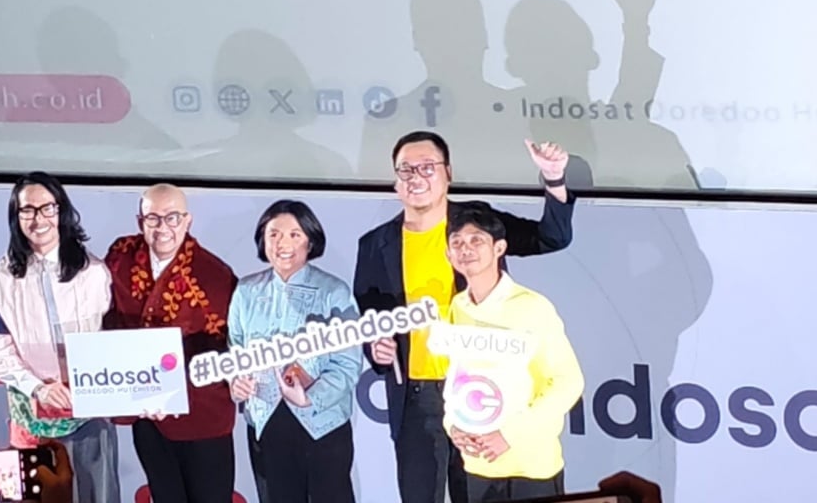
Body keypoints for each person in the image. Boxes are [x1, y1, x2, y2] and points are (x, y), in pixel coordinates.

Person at [354, 130, 575, 503]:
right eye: (406, 170)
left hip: (484, 392)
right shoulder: (375, 244)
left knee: (477, 494)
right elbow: (370, 319)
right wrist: (376, 350)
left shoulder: (475, 225)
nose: (416, 177)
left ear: (448, 173)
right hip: (417, 398)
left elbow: (551, 237)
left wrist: (553, 178)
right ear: (396, 181)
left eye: (427, 167)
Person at [0, 171, 120, 503]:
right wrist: (38, 387)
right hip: (31, 412)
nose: (38, 219)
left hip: (90, 410)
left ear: (61, 211)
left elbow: (115, 338)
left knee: (97, 496)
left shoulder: (95, 272)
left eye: (47, 208)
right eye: (27, 210)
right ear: (16, 217)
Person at [435, 207, 583, 502]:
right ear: (448, 254)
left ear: (499, 248)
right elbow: (457, 378)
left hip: (530, 466)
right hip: (478, 465)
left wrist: (511, 434)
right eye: (457, 243)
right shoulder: (457, 307)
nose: (466, 249)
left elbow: (568, 382)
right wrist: (453, 425)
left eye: (476, 240)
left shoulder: (532, 306)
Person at [103, 183, 238, 503]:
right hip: (147, 416)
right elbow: (106, 319)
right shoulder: (121, 258)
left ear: (188, 221)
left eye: (172, 217)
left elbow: (232, 347)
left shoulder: (215, 275)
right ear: (140, 222)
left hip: (203, 416)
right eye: (153, 218)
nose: (163, 227)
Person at [228, 200, 362, 503]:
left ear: (310, 241)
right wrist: (236, 382)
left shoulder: (334, 292)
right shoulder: (246, 291)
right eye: (273, 234)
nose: (283, 243)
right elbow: (234, 351)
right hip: (266, 423)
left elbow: (347, 365)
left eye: (294, 234)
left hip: (322, 425)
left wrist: (309, 397)